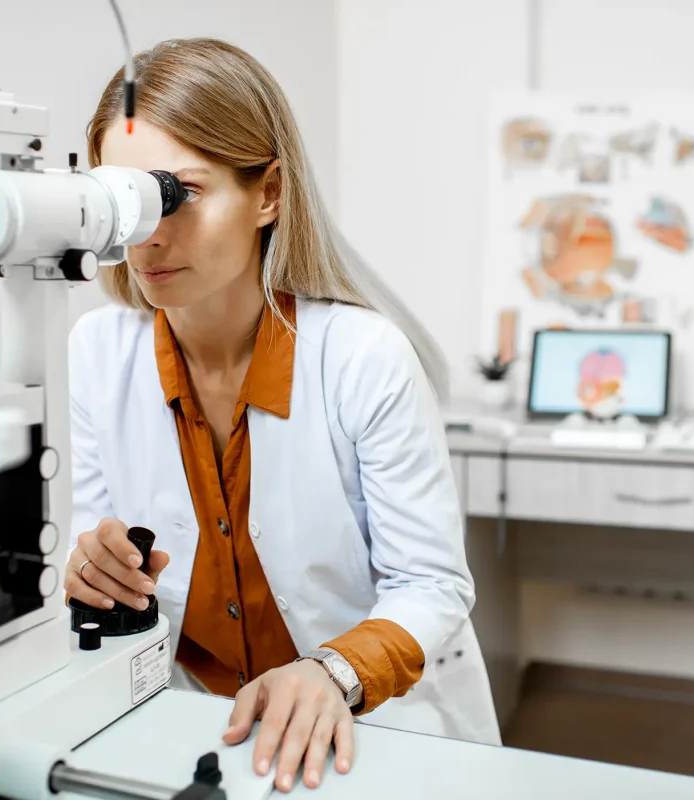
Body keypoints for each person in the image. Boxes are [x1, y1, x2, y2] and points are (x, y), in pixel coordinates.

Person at [64, 37, 499, 794]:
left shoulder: (362, 356)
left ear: (268, 193)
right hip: (190, 719)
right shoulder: (99, 351)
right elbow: (85, 532)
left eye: (179, 193)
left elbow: (431, 584)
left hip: (369, 728)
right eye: (124, 199)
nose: (150, 233)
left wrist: (332, 670)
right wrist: (90, 565)